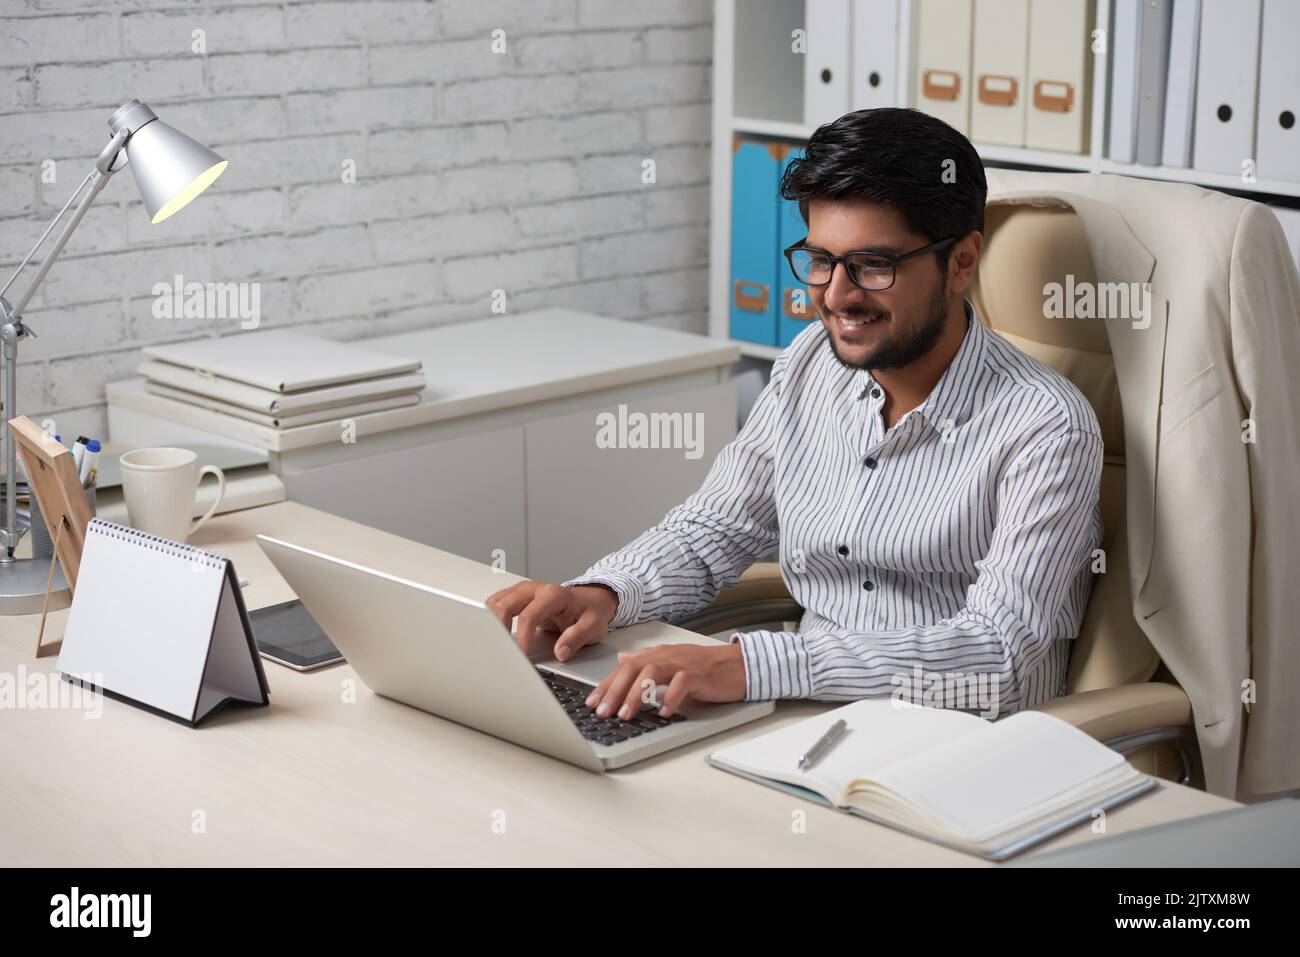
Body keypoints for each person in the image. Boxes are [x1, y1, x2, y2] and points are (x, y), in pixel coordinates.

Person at [486, 107, 1103, 726]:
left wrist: (753, 667)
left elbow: (998, 651)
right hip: (809, 720)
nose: (836, 295)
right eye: (820, 259)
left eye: (873, 265)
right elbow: (717, 528)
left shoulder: (1046, 426)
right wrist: (605, 594)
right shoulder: (810, 361)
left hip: (962, 746)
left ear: (962, 262)